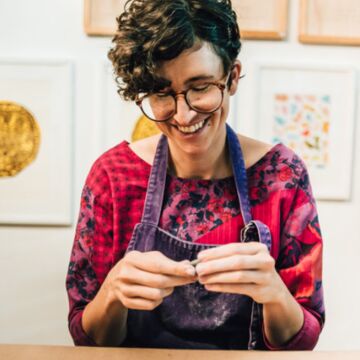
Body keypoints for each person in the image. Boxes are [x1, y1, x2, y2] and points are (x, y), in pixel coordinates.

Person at [66, 0, 325, 350]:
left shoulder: (283, 176)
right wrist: (113, 291)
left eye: (200, 87)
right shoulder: (113, 176)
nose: (184, 115)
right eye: (161, 93)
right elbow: (87, 338)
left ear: (231, 78)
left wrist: (274, 293)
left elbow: (303, 341)